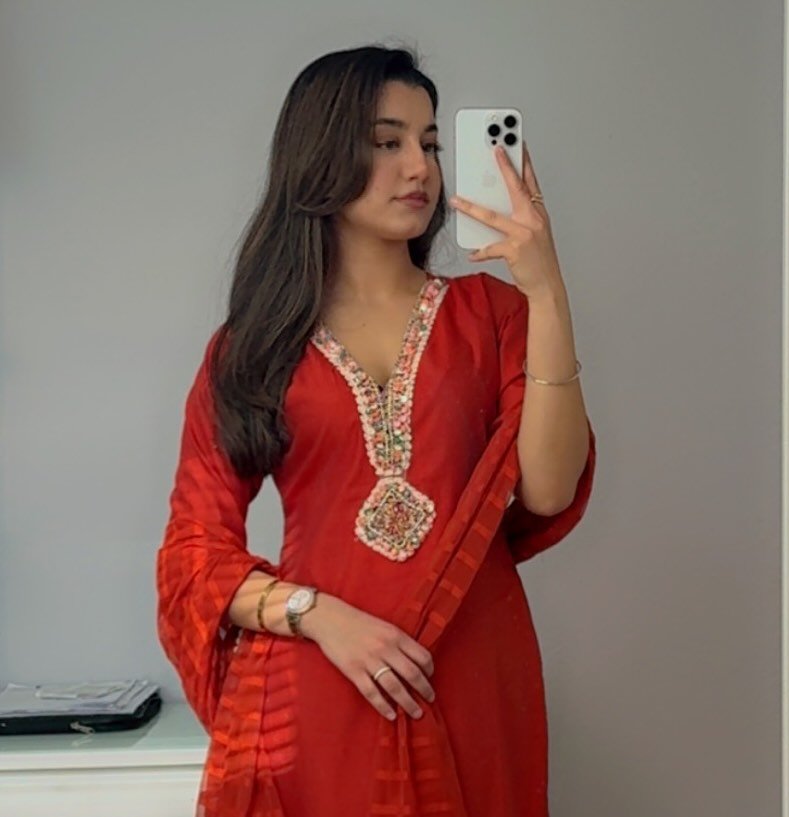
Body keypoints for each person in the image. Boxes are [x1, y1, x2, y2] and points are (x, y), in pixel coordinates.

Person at [156, 44, 596, 817]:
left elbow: (550, 488)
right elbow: (192, 554)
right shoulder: (254, 348)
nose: (418, 167)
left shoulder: (492, 316)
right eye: (385, 142)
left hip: (470, 670)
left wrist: (545, 289)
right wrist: (321, 616)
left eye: (429, 144)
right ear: (319, 155)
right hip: (322, 683)